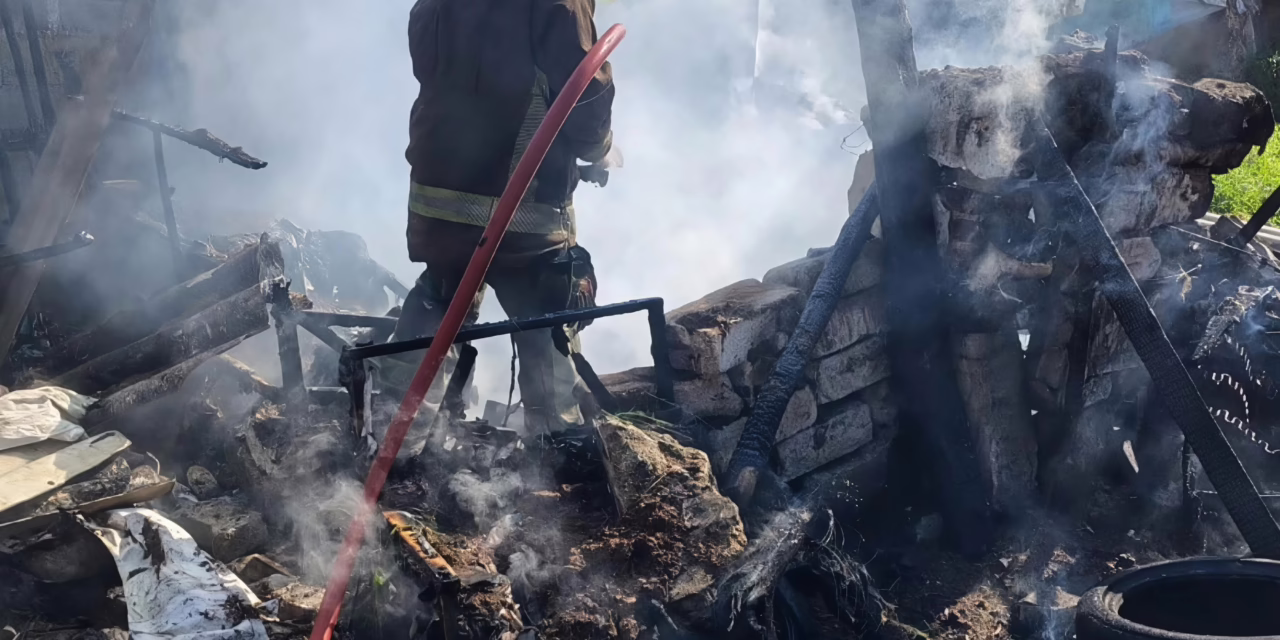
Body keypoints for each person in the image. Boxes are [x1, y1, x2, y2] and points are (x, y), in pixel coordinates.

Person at [391, 0, 617, 435]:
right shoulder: (560, 5)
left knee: (439, 299)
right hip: (521, 211)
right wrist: (599, 151)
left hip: (438, 206)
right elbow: (584, 88)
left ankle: (389, 436)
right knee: (544, 312)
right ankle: (557, 453)